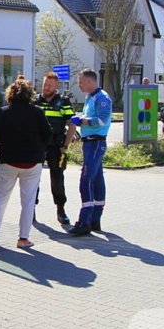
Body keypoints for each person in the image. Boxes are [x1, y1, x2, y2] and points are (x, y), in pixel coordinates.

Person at [0, 76, 54, 249]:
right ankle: (23, 238)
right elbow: (48, 135)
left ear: (10, 94)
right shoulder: (37, 112)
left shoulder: (3, 112)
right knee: (28, 201)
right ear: (30, 94)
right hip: (32, 161)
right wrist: (39, 148)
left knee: (0, 197)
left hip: (8, 160)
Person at [68, 69, 112, 236]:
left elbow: (102, 120)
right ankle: (95, 219)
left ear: (89, 81)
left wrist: (81, 121)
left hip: (95, 142)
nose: (78, 85)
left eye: (80, 81)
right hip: (91, 143)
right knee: (97, 180)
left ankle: (84, 221)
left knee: (86, 180)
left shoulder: (102, 98)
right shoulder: (91, 98)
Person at [33, 72, 77, 225]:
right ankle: (30, 209)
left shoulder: (63, 102)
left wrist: (65, 146)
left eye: (49, 85)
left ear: (56, 86)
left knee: (57, 178)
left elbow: (72, 124)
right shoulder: (35, 101)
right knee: (32, 179)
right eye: (45, 84)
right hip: (37, 146)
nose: (46, 88)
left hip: (55, 146)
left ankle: (61, 210)